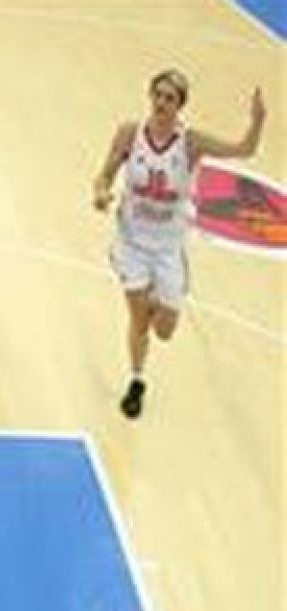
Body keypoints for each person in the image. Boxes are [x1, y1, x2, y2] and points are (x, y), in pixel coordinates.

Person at [92, 72, 266, 419]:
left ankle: (158, 298)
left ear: (180, 104)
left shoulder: (190, 143)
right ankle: (137, 380)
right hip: (131, 242)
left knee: (165, 331)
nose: (161, 102)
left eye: (169, 97)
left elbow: (244, 150)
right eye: (157, 94)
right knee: (138, 319)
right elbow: (106, 172)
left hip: (168, 247)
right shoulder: (130, 133)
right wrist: (100, 192)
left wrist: (257, 122)